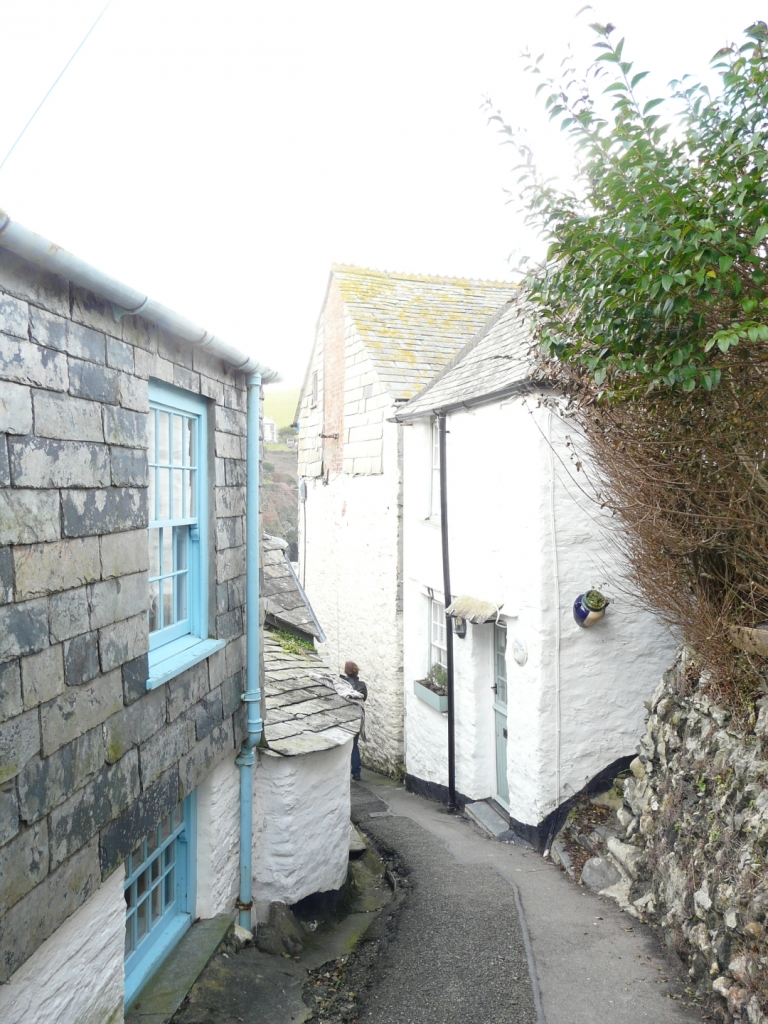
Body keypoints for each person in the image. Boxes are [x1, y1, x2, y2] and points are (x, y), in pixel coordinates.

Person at [333, 660, 367, 781]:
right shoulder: (362, 685)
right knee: (354, 746)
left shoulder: (341, 684)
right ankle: (356, 773)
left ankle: (340, 771)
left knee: (341, 745)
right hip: (357, 717)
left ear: (345, 671)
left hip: (343, 717)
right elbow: (364, 699)